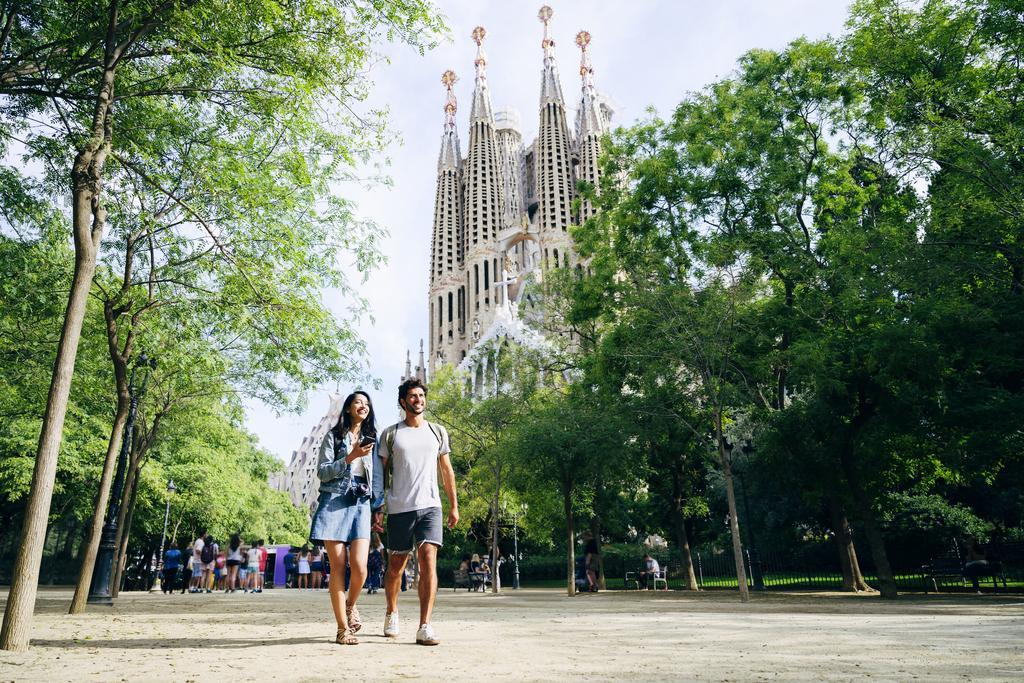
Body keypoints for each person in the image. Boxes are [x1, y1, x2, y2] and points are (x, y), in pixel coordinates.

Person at [375, 378, 459, 646]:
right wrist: (377, 506)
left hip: (431, 507)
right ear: (403, 401)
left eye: (421, 395)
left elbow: (447, 470)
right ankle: (392, 611)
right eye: (413, 396)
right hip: (400, 509)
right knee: (396, 567)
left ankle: (425, 625)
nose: (418, 400)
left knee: (427, 561)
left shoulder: (437, 432)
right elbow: (381, 473)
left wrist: (453, 505)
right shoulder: (390, 434)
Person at [308, 390, 384, 645]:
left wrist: (378, 507)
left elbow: (378, 478)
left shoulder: (372, 439)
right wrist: (350, 457)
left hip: (361, 502)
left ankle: (350, 605)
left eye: (366, 403)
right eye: (358, 402)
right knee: (339, 567)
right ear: (349, 408)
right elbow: (322, 472)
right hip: (334, 501)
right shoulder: (334, 436)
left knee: (360, 568)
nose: (363, 406)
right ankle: (342, 629)